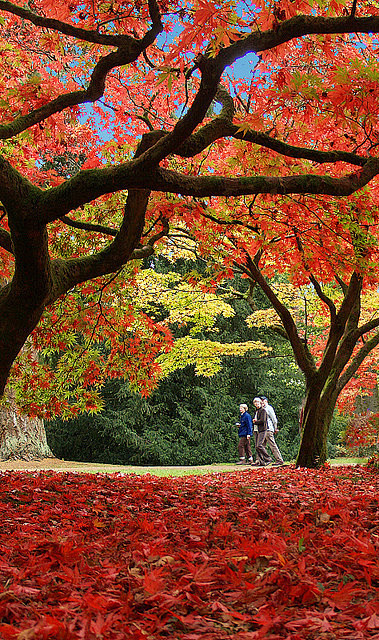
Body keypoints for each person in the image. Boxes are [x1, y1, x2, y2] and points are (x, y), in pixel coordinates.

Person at [260, 396, 284, 466]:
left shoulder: (269, 408)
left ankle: (279, 459)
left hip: (268, 429)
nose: (262, 402)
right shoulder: (262, 409)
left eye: (263, 401)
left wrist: (275, 428)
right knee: (261, 445)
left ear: (266, 401)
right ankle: (261, 460)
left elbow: (274, 419)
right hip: (263, 429)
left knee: (272, 445)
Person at [252, 397, 271, 466]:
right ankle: (261, 461)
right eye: (255, 403)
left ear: (260, 403)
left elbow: (263, 421)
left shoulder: (263, 411)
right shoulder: (256, 411)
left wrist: (255, 422)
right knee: (257, 447)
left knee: (259, 445)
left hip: (262, 430)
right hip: (256, 430)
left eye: (258, 403)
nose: (257, 404)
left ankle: (268, 458)